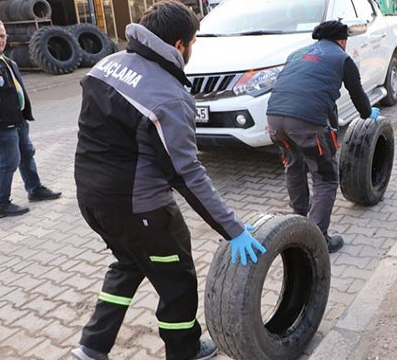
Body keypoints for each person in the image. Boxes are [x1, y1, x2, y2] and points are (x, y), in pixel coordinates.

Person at [72, 2, 266, 360]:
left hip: (91, 199)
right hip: (141, 210)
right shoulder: (169, 96)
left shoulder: (106, 65)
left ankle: (91, 347)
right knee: (177, 281)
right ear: (180, 45)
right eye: (193, 42)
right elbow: (186, 174)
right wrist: (233, 229)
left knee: (128, 263)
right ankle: (185, 350)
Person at [266, 20, 380, 253]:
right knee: (325, 176)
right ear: (342, 40)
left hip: (275, 120)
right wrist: (369, 113)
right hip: (305, 122)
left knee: (295, 165)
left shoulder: (296, 54)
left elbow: (307, 90)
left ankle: (297, 221)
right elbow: (356, 93)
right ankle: (317, 239)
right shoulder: (341, 58)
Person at [0, 17, 62, 219]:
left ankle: (35, 189)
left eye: (2, 35)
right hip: (0, 124)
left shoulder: (4, 59)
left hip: (18, 119)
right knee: (8, 162)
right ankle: (0, 204)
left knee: (26, 154)